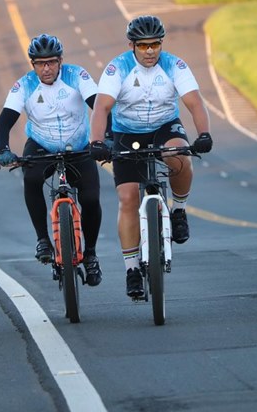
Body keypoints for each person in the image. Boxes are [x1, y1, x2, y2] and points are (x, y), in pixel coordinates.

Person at [88, 15, 213, 298]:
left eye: (155, 45)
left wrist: (203, 134)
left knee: (179, 155)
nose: (149, 51)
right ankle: (132, 269)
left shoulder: (174, 65)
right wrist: (97, 141)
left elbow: (194, 102)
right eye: (143, 46)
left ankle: (179, 210)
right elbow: (101, 108)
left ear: (161, 44)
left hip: (163, 126)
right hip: (126, 132)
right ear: (132, 45)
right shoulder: (117, 68)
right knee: (128, 198)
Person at [0, 34, 103, 286]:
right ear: (32, 64)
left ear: (60, 61)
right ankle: (43, 239)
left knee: (90, 197)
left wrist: (104, 138)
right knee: (30, 178)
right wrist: (4, 149)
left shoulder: (77, 75)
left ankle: (91, 254)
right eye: (40, 63)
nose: (46, 68)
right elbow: (4, 122)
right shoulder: (24, 85)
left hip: (77, 145)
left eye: (52, 62)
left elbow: (98, 106)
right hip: (41, 145)